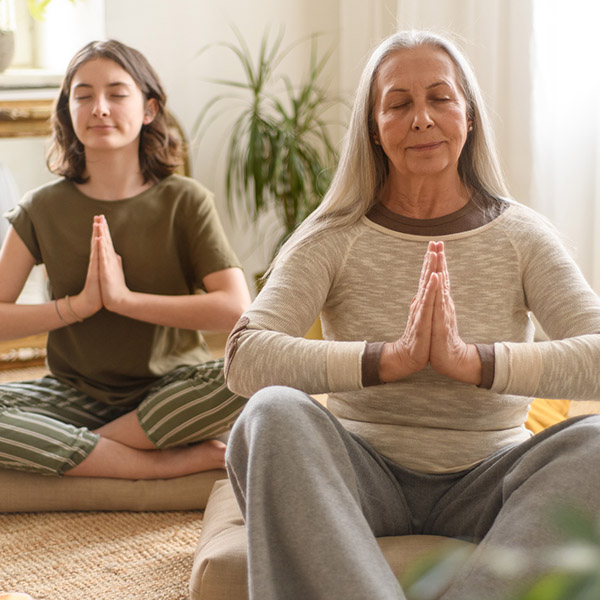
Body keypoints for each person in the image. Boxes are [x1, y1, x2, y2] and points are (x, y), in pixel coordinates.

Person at [224, 29, 600, 600]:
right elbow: (243, 358)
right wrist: (384, 360)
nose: (421, 118)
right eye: (398, 104)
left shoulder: (522, 235)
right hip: (361, 475)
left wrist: (478, 363)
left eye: (440, 98)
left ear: (467, 117)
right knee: (270, 413)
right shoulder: (334, 235)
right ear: (375, 130)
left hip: (488, 480)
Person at [0, 40, 251, 480]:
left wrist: (123, 300)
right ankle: (147, 462)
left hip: (176, 390)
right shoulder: (39, 208)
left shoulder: (185, 200)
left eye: (117, 93)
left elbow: (235, 310)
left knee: (255, 373)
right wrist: (77, 307)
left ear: (149, 109)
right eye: (83, 96)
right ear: (67, 112)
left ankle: (82, 448)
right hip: (75, 394)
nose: (99, 108)